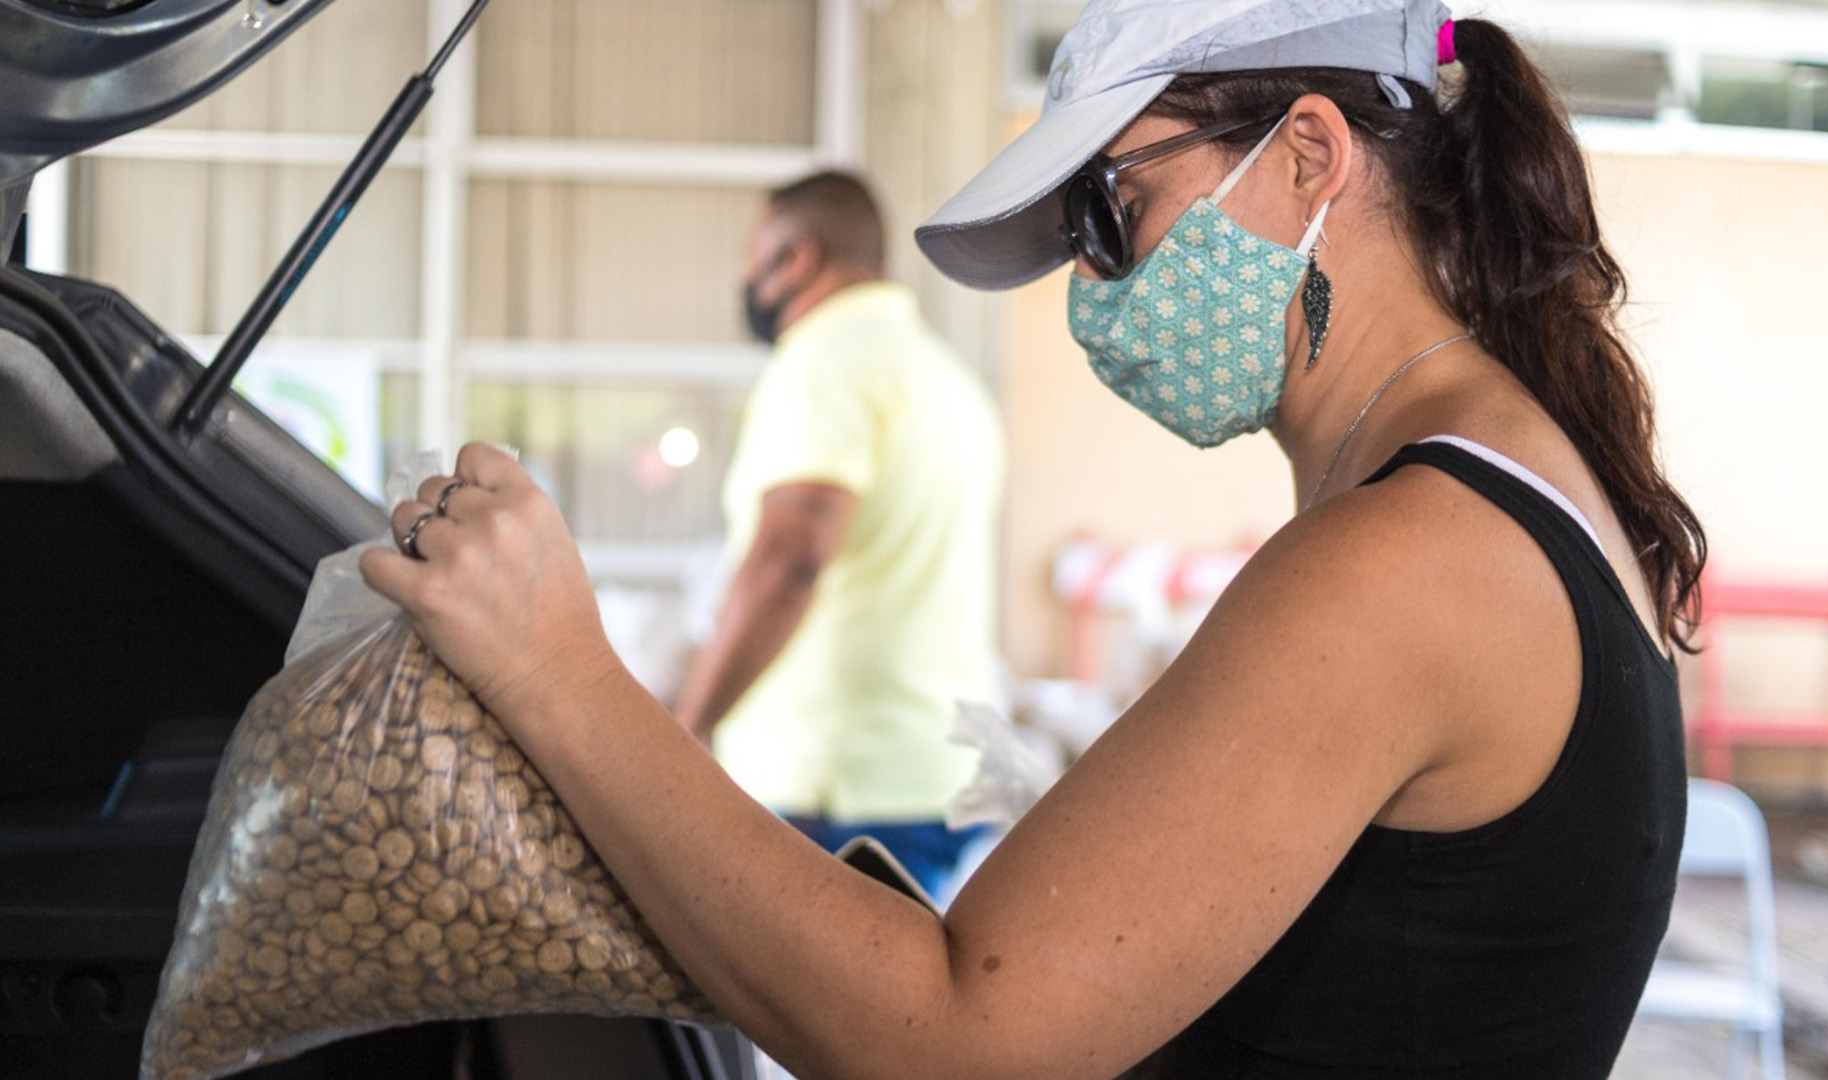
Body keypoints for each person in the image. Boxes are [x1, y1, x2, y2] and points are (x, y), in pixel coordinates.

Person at [362, 2, 1707, 1076]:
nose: (1094, 291)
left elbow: (949, 1047)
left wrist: (560, 676)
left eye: (1107, 213)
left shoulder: (1409, 560)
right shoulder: (1512, 487)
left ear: (1311, 152)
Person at [674, 170, 1005, 899]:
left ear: (797, 260)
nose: (743, 274)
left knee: (792, 1015)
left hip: (835, 790)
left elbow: (789, 558)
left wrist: (685, 731)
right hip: (934, 776)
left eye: (750, 253)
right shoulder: (945, 378)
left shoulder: (825, 360)